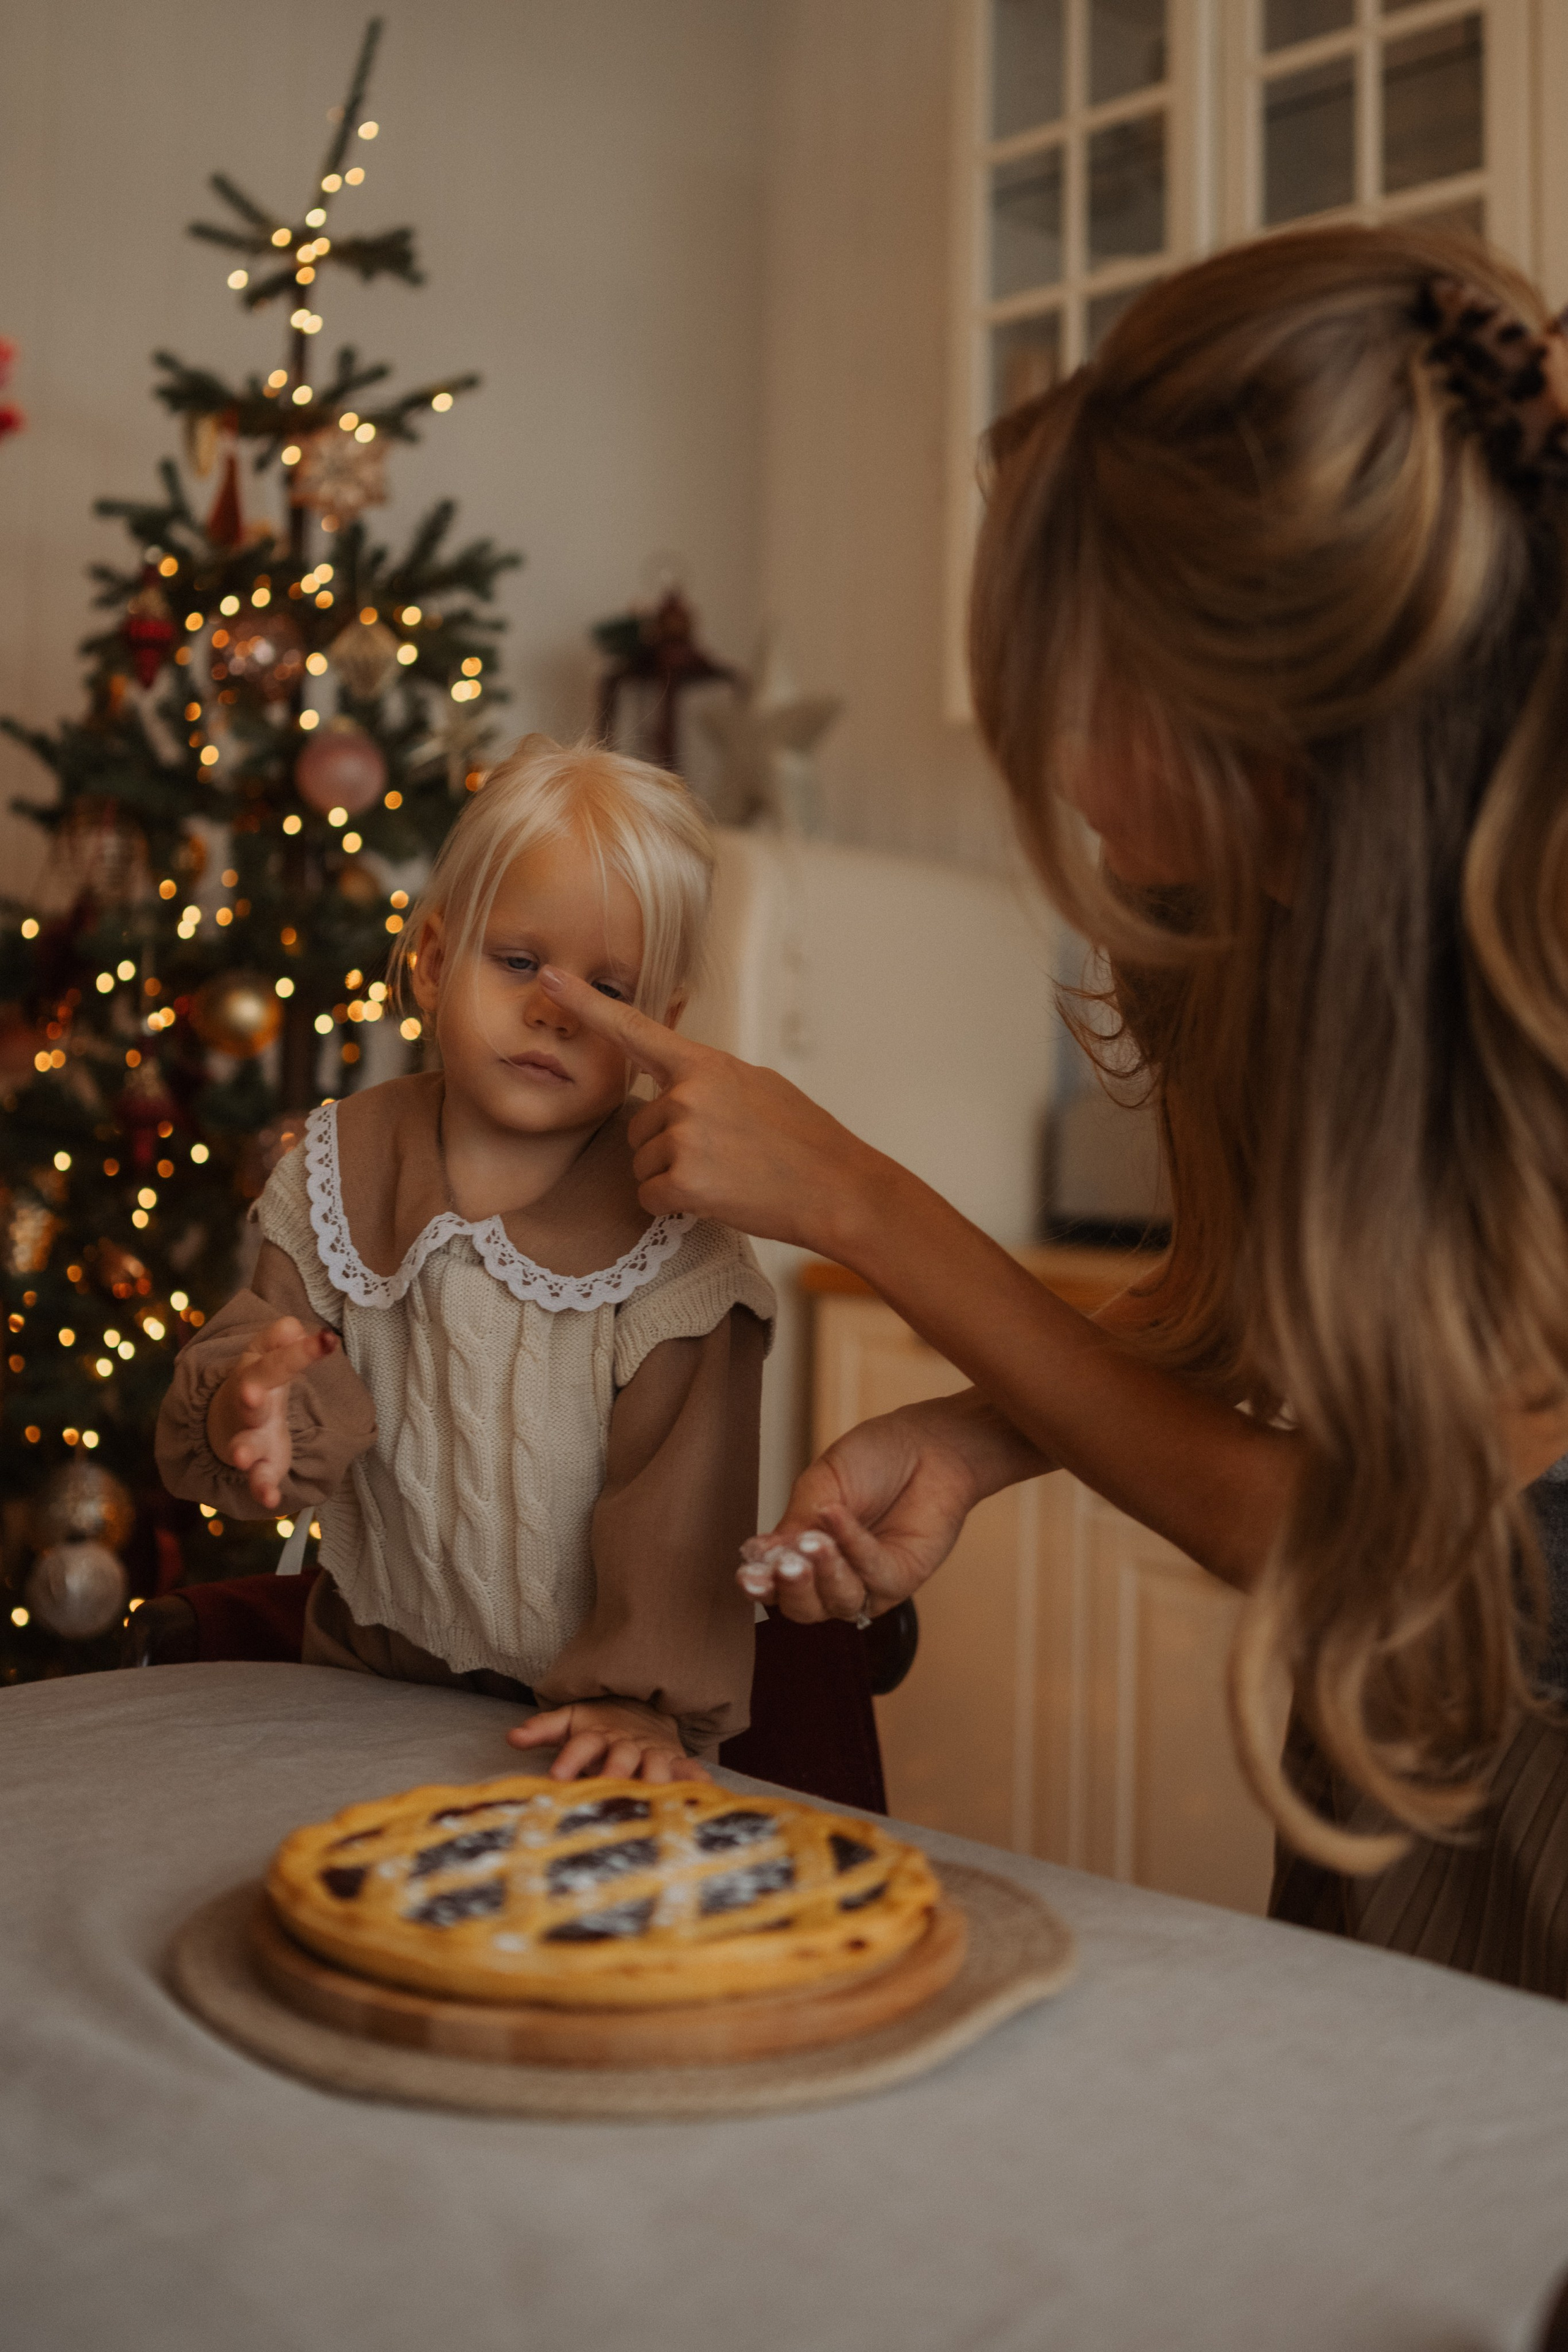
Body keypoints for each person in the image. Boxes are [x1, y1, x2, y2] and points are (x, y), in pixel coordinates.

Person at [535, 225, 1568, 1993]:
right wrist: (984, 1431)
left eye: (1085, 687)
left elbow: (1360, 1538)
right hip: (1393, 1769)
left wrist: (862, 1202)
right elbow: (1255, 1314)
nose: (1058, 756)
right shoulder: (1289, 927)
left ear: (1269, 722)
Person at [156, 737, 774, 1783]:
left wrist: (641, 1700)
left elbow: (682, 1508)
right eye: (521, 962)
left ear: (658, 1027)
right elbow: (270, 1370)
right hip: (362, 1677)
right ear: (437, 961)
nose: (554, 1010)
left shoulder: (676, 1233)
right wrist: (251, 1409)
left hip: (592, 1719)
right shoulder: (340, 1168)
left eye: (607, 989)